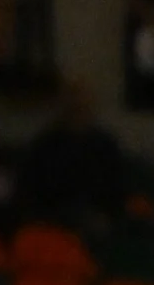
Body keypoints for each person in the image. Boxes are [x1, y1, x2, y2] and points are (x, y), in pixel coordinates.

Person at [16, 82, 133, 231]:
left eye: (83, 108)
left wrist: (105, 215)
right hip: (53, 219)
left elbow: (118, 189)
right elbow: (31, 190)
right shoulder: (43, 146)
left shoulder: (106, 146)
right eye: (74, 109)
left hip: (98, 218)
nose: (78, 114)